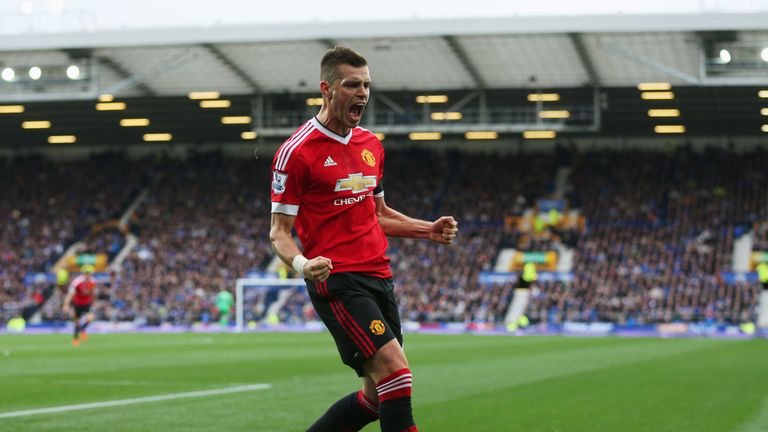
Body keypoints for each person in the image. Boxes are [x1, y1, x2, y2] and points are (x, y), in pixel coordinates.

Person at [269, 46, 458, 432]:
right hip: (338, 280)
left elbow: (379, 214)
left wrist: (428, 229)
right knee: (396, 371)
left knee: (377, 397)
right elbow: (279, 233)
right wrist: (305, 265)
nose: (363, 93)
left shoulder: (371, 145)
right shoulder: (296, 153)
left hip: (379, 276)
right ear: (327, 89)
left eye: (367, 85)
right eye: (352, 84)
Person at [62, 265, 97, 347]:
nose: (88, 275)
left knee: (90, 318)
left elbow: (93, 292)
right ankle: (76, 338)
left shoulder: (93, 282)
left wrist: (94, 302)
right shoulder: (77, 282)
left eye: (89, 273)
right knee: (76, 322)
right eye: (86, 273)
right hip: (77, 304)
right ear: (83, 274)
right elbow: (70, 294)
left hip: (87, 303)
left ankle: (82, 329)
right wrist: (66, 305)